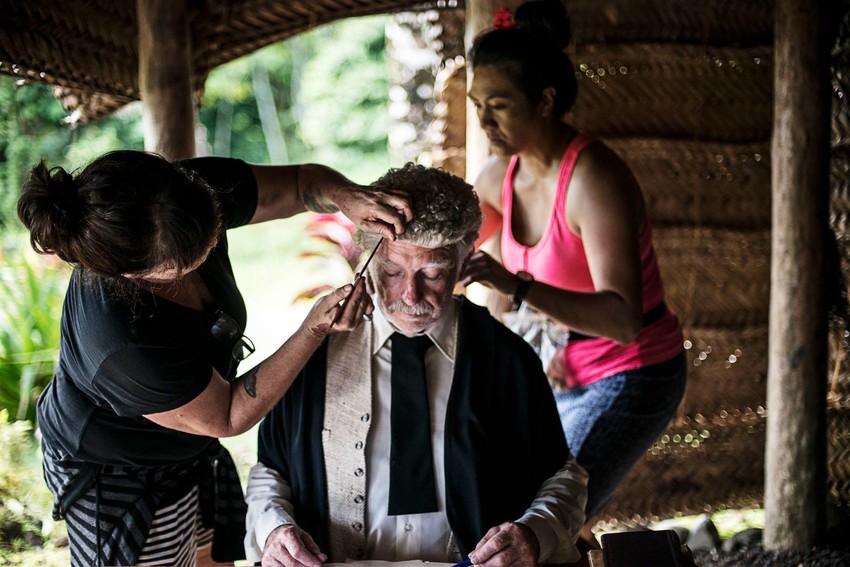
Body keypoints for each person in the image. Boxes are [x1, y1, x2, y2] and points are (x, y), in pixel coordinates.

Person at [16, 149, 412, 567]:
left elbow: (299, 184)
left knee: (211, 555)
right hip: (117, 465)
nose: (211, 251)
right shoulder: (121, 346)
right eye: (190, 260)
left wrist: (347, 196)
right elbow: (228, 414)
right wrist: (312, 328)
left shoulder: (180, 194)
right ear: (132, 273)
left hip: (187, 443)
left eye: (213, 233)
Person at [244, 163, 588, 567]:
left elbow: (562, 479)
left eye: (433, 272)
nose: (410, 295)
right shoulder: (315, 353)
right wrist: (274, 530)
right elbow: (270, 471)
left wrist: (535, 534)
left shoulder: (505, 359)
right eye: (392, 271)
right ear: (369, 261)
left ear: (463, 262)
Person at [461, 0, 687, 540]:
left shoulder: (593, 181)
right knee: (493, 498)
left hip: (632, 372)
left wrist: (516, 287)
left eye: (499, 105)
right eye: (477, 105)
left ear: (545, 101)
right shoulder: (499, 177)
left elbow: (623, 318)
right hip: (559, 370)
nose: (484, 121)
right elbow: (456, 254)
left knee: (537, 519)